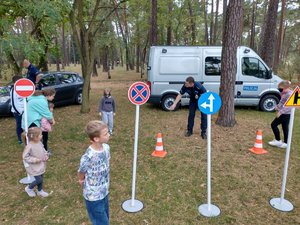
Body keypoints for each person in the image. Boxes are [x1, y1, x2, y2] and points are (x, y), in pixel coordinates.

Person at [78, 121, 111, 225]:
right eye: (105, 133)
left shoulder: (106, 148)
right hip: (93, 196)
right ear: (96, 139)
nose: (109, 134)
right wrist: (81, 180)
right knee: (101, 222)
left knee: (105, 216)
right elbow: (81, 171)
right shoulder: (88, 156)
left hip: (104, 190)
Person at [23, 127, 49, 197]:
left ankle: (40, 190)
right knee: (39, 179)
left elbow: (43, 150)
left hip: (40, 164)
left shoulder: (39, 142)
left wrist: (46, 155)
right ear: (34, 137)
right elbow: (25, 157)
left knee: (41, 177)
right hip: (34, 166)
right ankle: (29, 188)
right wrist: (35, 160)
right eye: (40, 135)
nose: (42, 135)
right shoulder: (29, 146)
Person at [268, 80, 293, 148]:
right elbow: (282, 102)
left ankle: (278, 140)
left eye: (281, 89)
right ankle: (286, 143)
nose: (280, 90)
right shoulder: (285, 93)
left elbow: (289, 106)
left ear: (286, 88)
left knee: (273, 124)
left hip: (285, 114)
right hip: (285, 113)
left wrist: (280, 112)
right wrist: (278, 106)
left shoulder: (290, 94)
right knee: (285, 127)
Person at [10, 75, 24, 144]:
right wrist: (19, 112)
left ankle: (26, 137)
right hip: (17, 112)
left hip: (24, 111)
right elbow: (13, 103)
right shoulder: (13, 90)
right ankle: (20, 139)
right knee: (19, 126)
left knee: (25, 125)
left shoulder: (22, 88)